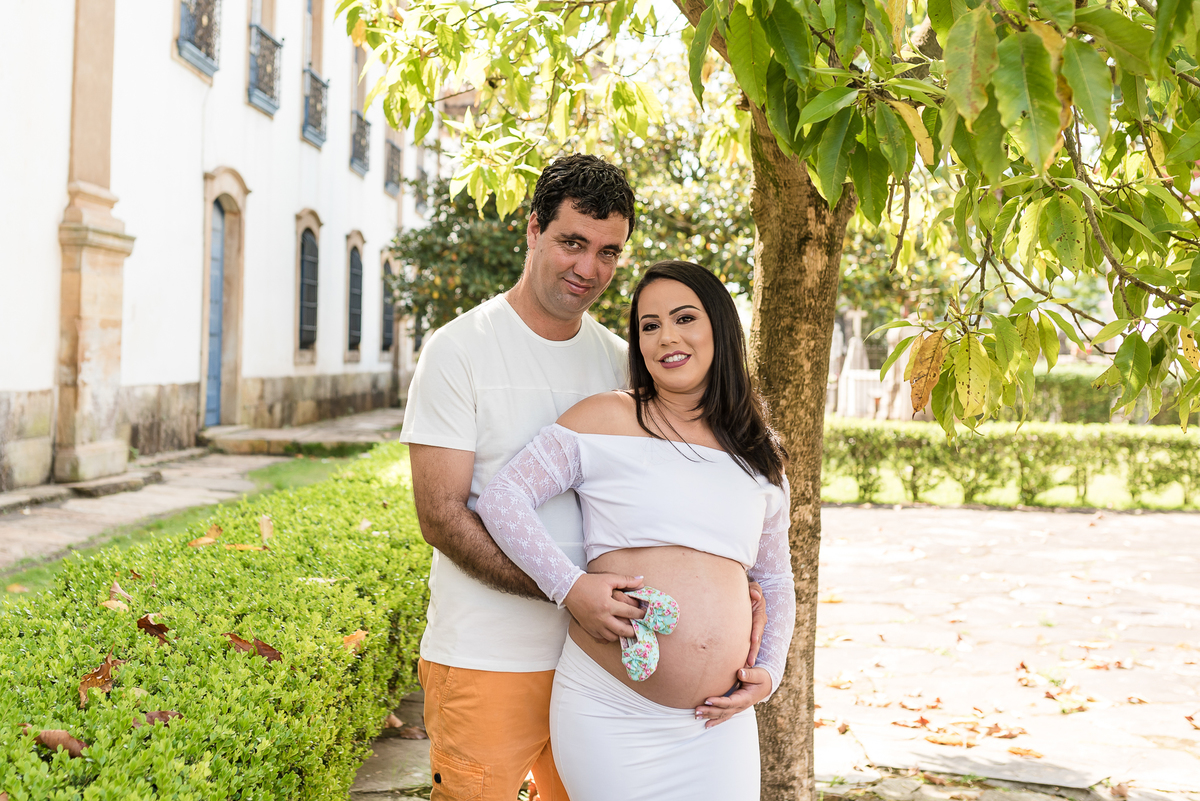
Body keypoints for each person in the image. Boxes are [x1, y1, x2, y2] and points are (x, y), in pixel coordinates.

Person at [398, 156, 769, 801]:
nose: (588, 268)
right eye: (572, 242)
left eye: (608, 252)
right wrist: (570, 592)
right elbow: (442, 516)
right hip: (492, 655)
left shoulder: (626, 363)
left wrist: (732, 589)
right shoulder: (459, 351)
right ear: (533, 227)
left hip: (608, 671)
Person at [476, 260, 795, 801]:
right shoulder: (605, 418)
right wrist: (571, 588)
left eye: (684, 318)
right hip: (611, 713)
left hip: (719, 725)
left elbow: (776, 578)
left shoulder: (758, 452)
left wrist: (770, 672)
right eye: (649, 326)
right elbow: (504, 499)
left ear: (719, 326)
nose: (666, 337)